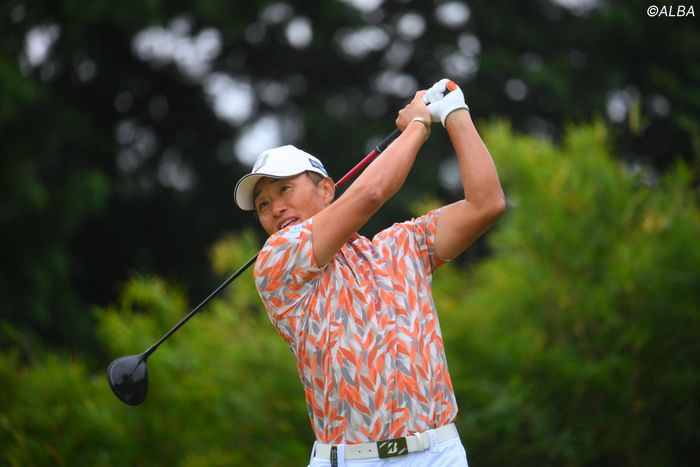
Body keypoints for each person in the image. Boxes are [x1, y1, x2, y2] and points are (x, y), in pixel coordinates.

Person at [234, 79, 505, 466]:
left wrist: (454, 111)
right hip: (351, 459)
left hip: (438, 452)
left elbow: (486, 204)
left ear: (326, 190)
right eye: (262, 204)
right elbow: (371, 193)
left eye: (284, 190)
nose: (275, 208)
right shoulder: (277, 260)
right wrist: (417, 125)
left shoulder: (401, 245)